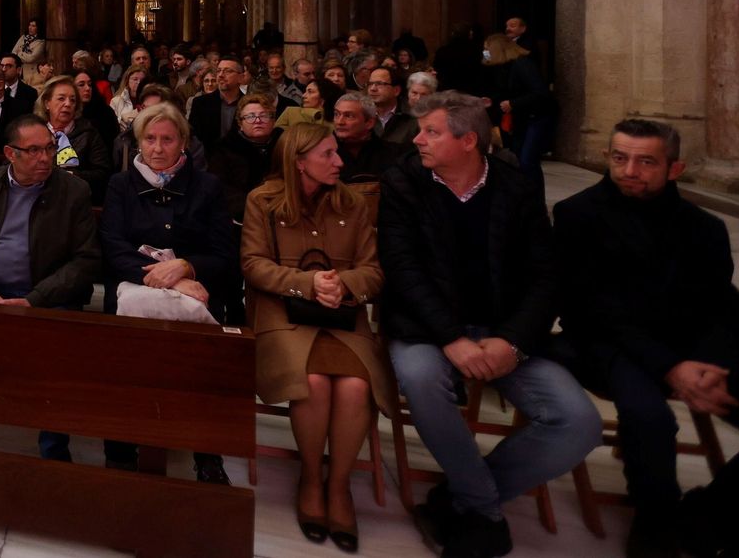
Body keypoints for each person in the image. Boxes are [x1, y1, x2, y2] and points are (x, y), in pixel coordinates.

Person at [378, 91, 600, 558]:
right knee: (420, 377)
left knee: (578, 422)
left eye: (431, 132)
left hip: (502, 330)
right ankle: (482, 506)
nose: (417, 139)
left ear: (468, 141)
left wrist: (513, 342)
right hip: (426, 328)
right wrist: (452, 338)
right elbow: (404, 271)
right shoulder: (404, 183)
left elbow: (545, 276)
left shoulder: (515, 186)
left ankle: (464, 498)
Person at [553, 119, 739, 557]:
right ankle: (655, 521)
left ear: (675, 169)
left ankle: (704, 517)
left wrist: (709, 363)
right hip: (607, 345)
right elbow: (592, 309)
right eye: (619, 158)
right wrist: (671, 368)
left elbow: (721, 303)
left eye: (645, 161)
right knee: (650, 416)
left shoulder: (704, 227)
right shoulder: (578, 215)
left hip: (690, 348)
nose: (629, 170)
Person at [241, 123, 396, 552]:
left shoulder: (353, 202)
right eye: (328, 154)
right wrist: (308, 284)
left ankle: (339, 486)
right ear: (299, 160)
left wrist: (343, 284)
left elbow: (374, 270)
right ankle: (311, 478)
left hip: (342, 314)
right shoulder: (264, 201)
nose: (339, 162)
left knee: (354, 385)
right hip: (284, 309)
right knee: (311, 383)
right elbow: (253, 264)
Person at [0, 117, 99, 456]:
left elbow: (85, 262)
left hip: (47, 298)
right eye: (34, 150)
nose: (45, 158)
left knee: (56, 358)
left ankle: (54, 449)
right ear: (10, 153)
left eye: (50, 149)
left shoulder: (73, 191)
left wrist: (34, 300)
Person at [99, 100, 238, 483]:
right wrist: (172, 276)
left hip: (198, 293)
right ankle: (122, 448)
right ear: (138, 142)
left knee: (199, 368)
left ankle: (207, 451)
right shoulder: (120, 184)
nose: (158, 148)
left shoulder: (207, 187)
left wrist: (189, 266)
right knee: (127, 367)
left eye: (167, 139)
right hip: (135, 286)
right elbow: (113, 247)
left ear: (184, 143)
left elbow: (224, 254)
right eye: (150, 139)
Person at [479, 32, 554, 186]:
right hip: (523, 118)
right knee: (519, 159)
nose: (485, 52)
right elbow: (509, 91)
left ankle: (535, 202)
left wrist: (513, 103)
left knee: (527, 160)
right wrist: (492, 100)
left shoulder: (522, 64)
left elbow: (540, 92)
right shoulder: (505, 67)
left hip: (537, 117)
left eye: (487, 49)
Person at [35, 75, 112, 204]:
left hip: (76, 201)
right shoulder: (34, 131)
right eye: (61, 99)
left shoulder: (89, 133)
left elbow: (103, 173)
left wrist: (74, 176)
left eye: (73, 100)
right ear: (47, 103)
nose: (67, 104)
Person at [206, 92, 283, 222]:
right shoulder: (225, 149)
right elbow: (220, 186)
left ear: (273, 120)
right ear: (240, 124)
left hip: (284, 210)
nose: (257, 121)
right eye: (250, 116)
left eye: (263, 116)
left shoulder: (285, 143)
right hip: (242, 216)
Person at [332, 92, 405, 184]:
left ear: (369, 123)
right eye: (336, 114)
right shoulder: (321, 152)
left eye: (349, 116)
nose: (340, 122)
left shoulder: (394, 154)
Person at [187, 58, 247, 150]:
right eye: (219, 71)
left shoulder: (249, 104)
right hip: (207, 160)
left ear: (241, 77)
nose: (221, 75)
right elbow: (193, 138)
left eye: (228, 71)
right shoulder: (200, 103)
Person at [368, 65, 418, 146]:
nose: (372, 89)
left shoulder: (412, 118)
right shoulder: (363, 115)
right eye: (370, 84)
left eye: (380, 84)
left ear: (396, 91)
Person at [72, 68, 119, 146]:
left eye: (90, 84)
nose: (87, 88)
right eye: (81, 85)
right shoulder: (67, 113)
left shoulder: (105, 113)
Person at [108, 64, 152, 132]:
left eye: (142, 80)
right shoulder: (116, 101)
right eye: (135, 79)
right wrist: (121, 120)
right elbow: (111, 126)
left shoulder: (152, 100)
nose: (139, 82)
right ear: (127, 81)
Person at [0, 54, 38, 118]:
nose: (3, 69)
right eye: (1, 66)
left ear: (18, 70)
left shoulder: (30, 93)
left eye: (8, 66)